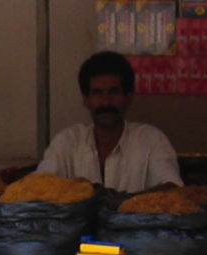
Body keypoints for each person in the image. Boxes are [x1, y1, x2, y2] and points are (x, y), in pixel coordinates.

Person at [36, 50, 181, 193]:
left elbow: (172, 189)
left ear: (128, 97)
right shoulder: (67, 142)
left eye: (114, 92)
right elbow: (38, 188)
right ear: (86, 100)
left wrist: (125, 204)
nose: (106, 102)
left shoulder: (151, 140)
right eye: (97, 93)